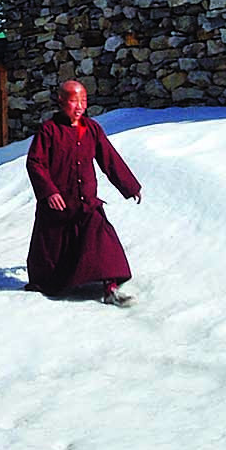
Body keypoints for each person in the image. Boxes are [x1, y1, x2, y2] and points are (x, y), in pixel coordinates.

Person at [25, 79, 141, 304]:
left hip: (87, 202)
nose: (79, 106)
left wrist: (130, 186)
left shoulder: (92, 129)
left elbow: (109, 159)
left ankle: (111, 288)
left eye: (83, 101)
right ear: (60, 101)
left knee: (104, 239)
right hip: (58, 205)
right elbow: (35, 163)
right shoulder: (49, 131)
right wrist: (49, 192)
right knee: (50, 268)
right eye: (73, 101)